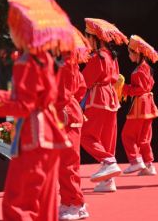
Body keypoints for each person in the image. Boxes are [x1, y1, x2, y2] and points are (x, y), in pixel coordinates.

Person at [0, 0, 74, 220]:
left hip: (33, 137)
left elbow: (23, 105)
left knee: (18, 202)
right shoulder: (44, 58)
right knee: (45, 205)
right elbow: (35, 99)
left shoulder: (25, 61)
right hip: (49, 134)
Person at [80, 18, 128, 192]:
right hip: (111, 98)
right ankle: (108, 180)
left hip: (98, 98)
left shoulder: (98, 57)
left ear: (94, 38)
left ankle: (109, 161)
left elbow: (84, 81)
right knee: (108, 139)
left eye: (87, 37)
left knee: (85, 135)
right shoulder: (111, 56)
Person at [56, 27, 90, 220]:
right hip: (67, 113)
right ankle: (70, 202)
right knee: (65, 164)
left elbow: (63, 92)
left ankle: (76, 204)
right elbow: (82, 87)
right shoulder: (67, 61)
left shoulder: (66, 62)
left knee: (68, 164)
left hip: (65, 114)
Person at [121, 35, 158, 176]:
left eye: (130, 52)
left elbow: (140, 89)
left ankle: (135, 160)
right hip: (148, 105)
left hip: (141, 104)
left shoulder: (139, 71)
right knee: (144, 138)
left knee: (127, 135)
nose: (129, 56)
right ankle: (149, 165)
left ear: (136, 52)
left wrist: (123, 88)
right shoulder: (147, 68)